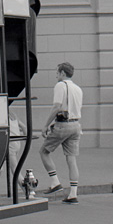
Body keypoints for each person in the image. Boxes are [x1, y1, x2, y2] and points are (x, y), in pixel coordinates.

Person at [40, 62, 84, 204]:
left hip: (62, 125)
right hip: (76, 125)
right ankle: (73, 194)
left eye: (57, 72)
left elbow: (57, 107)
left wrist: (46, 125)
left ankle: (55, 182)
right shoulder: (78, 89)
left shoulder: (60, 86)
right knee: (71, 159)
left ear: (63, 73)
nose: (56, 75)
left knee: (44, 152)